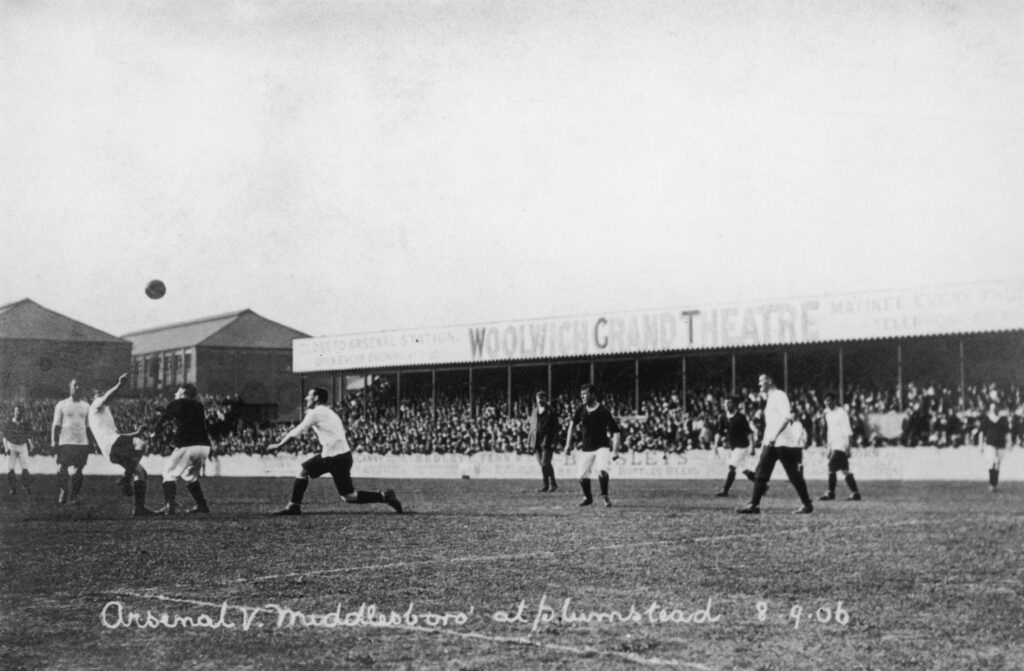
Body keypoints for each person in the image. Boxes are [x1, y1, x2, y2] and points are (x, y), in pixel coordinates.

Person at [267, 387, 402, 515]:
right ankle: (384, 496)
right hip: (344, 456)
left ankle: (294, 506)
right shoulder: (330, 413)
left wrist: (279, 445)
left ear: (316, 398)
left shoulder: (315, 413)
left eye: (309, 395)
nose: (306, 398)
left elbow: (297, 431)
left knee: (303, 470)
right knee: (349, 496)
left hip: (332, 457)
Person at [738, 374, 815, 515]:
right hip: (771, 442)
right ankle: (754, 505)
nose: (759, 384)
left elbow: (786, 417)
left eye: (761, 381)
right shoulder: (770, 398)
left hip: (783, 442)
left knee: (793, 474)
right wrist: (767, 440)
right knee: (761, 472)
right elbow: (772, 423)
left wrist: (775, 435)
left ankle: (807, 504)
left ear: (769, 381)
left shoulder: (780, 395)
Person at [87, 373, 157, 516]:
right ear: (92, 398)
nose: (102, 394)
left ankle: (139, 509)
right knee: (141, 443)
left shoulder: (104, 412)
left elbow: (118, 435)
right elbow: (106, 397)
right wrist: (119, 385)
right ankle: (126, 477)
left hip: (112, 448)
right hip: (111, 444)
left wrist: (136, 433)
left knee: (141, 472)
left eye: (102, 391)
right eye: (98, 393)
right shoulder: (95, 405)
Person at [152, 383, 213, 515]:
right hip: (203, 447)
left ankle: (169, 506)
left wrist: (154, 433)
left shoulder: (176, 403)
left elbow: (163, 421)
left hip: (187, 446)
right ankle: (202, 506)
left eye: (177, 392)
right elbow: (185, 418)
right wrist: (166, 410)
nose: (175, 394)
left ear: (183, 394)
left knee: (168, 473)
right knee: (189, 475)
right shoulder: (199, 406)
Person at [564, 384, 621, 507]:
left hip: (602, 446)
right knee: (581, 476)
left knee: (602, 471)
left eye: (585, 394)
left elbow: (616, 431)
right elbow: (571, 425)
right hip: (586, 447)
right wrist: (568, 444)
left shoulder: (603, 411)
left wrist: (615, 451)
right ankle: (588, 498)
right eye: (581, 394)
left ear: (593, 395)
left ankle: (605, 497)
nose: (582, 396)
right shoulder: (581, 409)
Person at [52, 378, 92, 504]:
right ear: (70, 387)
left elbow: (89, 427)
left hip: (81, 443)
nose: (77, 387)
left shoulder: (86, 406)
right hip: (65, 442)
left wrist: (91, 443)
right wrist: (53, 441)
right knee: (60, 469)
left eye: (80, 385)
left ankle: (74, 496)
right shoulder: (62, 405)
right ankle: (63, 490)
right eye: (75, 385)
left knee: (78, 471)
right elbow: (55, 425)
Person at [818, 393, 862, 501]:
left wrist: (849, 448)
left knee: (831, 466)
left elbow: (848, 431)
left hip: (841, 444)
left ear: (835, 400)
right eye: (826, 401)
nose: (827, 403)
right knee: (845, 470)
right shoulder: (827, 413)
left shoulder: (842, 413)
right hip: (833, 445)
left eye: (829, 400)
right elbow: (829, 432)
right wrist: (829, 448)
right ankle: (855, 493)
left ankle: (830, 493)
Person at [713, 397, 756, 497]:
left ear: (734, 405)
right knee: (743, 469)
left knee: (731, 466)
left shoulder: (740, 417)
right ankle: (762, 485)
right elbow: (719, 432)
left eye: (729, 403)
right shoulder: (723, 417)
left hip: (742, 446)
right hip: (734, 447)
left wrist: (753, 447)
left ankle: (725, 490)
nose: (726, 405)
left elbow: (749, 432)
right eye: (725, 403)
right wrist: (715, 446)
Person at [527, 390, 560, 492]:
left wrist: (554, 441)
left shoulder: (551, 411)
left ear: (546, 399)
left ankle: (553, 483)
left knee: (545, 462)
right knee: (542, 464)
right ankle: (545, 485)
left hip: (547, 440)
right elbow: (532, 427)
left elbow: (556, 428)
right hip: (537, 440)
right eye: (538, 398)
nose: (540, 400)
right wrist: (530, 441)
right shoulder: (534, 411)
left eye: (542, 398)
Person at [977, 400, 1011, 493]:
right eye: (992, 408)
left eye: (995, 408)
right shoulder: (986, 419)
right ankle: (991, 484)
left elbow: (1007, 432)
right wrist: (980, 445)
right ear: (990, 409)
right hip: (990, 443)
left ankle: (994, 484)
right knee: (991, 461)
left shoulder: (1003, 420)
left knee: (998, 463)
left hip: (1001, 444)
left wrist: (1009, 443)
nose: (994, 409)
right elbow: (981, 432)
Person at [3, 404, 33, 496]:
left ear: (22, 412)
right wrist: (6, 447)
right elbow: (5, 437)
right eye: (16, 411)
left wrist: (31, 445)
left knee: (25, 468)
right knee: (10, 469)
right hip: (11, 446)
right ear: (14, 412)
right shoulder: (9, 423)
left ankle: (26, 486)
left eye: (20, 411)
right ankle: (12, 488)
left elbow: (29, 436)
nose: (18, 413)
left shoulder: (26, 423)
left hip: (22, 446)